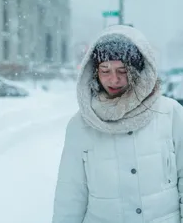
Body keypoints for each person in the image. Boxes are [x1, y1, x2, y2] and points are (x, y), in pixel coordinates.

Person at [52, 25, 183, 223]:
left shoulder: (170, 114)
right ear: (95, 72)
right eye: (105, 70)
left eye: (123, 70)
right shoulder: (80, 125)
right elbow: (70, 195)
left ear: (138, 71)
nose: (114, 79)